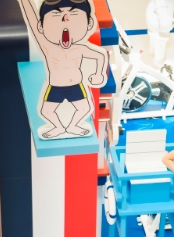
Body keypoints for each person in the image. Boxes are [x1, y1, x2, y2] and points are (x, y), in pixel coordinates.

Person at [19, 0, 108, 139]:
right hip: (55, 86)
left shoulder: (80, 48)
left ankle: (72, 126)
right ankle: (59, 127)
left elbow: (100, 56)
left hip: (76, 85)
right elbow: (32, 19)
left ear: (89, 23)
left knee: (84, 109)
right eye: (57, 14)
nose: (65, 19)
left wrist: (99, 73)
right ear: (41, 26)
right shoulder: (48, 47)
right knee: (46, 112)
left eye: (73, 13)